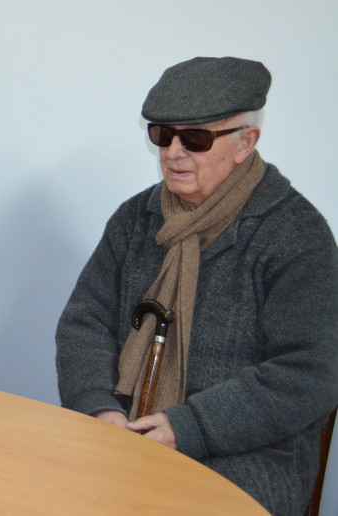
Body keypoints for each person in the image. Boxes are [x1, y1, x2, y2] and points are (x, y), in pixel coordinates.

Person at [55, 56, 338, 515]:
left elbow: (310, 374)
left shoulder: (296, 236)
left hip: (247, 458)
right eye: (162, 135)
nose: (172, 152)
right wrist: (98, 409)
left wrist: (189, 427)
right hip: (123, 434)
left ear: (246, 142)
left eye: (196, 138)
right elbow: (84, 322)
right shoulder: (135, 219)